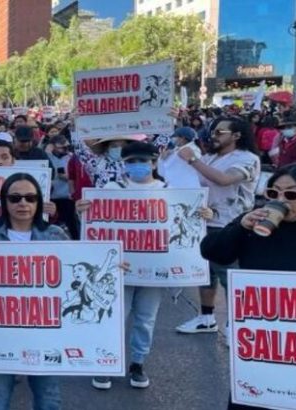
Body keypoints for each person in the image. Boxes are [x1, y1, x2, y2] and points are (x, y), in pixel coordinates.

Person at [77, 142, 213, 390]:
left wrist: (204, 215)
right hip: (119, 269)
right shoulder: (110, 189)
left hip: (154, 271)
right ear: (124, 165)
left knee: (145, 319)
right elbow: (94, 224)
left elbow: (186, 224)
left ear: (153, 163)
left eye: (142, 161)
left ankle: (137, 363)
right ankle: (107, 362)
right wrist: (82, 211)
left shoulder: (170, 191)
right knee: (114, 317)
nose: (136, 166)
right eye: (131, 162)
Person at [199, 164, 296, 410]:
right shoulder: (254, 223)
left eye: (291, 195)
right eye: (273, 194)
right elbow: (211, 251)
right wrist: (240, 226)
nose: (281, 200)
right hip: (261, 345)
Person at [0, 172, 68, 410]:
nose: (23, 204)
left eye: (30, 198)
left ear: (38, 201)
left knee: (49, 400)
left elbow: (72, 277)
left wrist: (109, 269)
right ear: (4, 201)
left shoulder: (55, 236)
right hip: (0, 334)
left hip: (45, 333)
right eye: (15, 198)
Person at [176, 117, 260, 336]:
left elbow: (224, 180)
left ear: (236, 136)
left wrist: (193, 161)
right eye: (212, 131)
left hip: (231, 225)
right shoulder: (210, 157)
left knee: (229, 276)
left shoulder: (247, 158)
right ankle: (206, 318)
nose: (213, 136)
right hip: (204, 222)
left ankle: (237, 324)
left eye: (220, 132)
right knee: (205, 274)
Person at [74, 134, 146, 188]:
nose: (119, 148)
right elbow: (80, 149)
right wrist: (75, 126)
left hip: (128, 204)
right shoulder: (97, 163)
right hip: (104, 204)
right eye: (114, 146)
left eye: (123, 146)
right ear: (107, 148)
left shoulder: (137, 163)